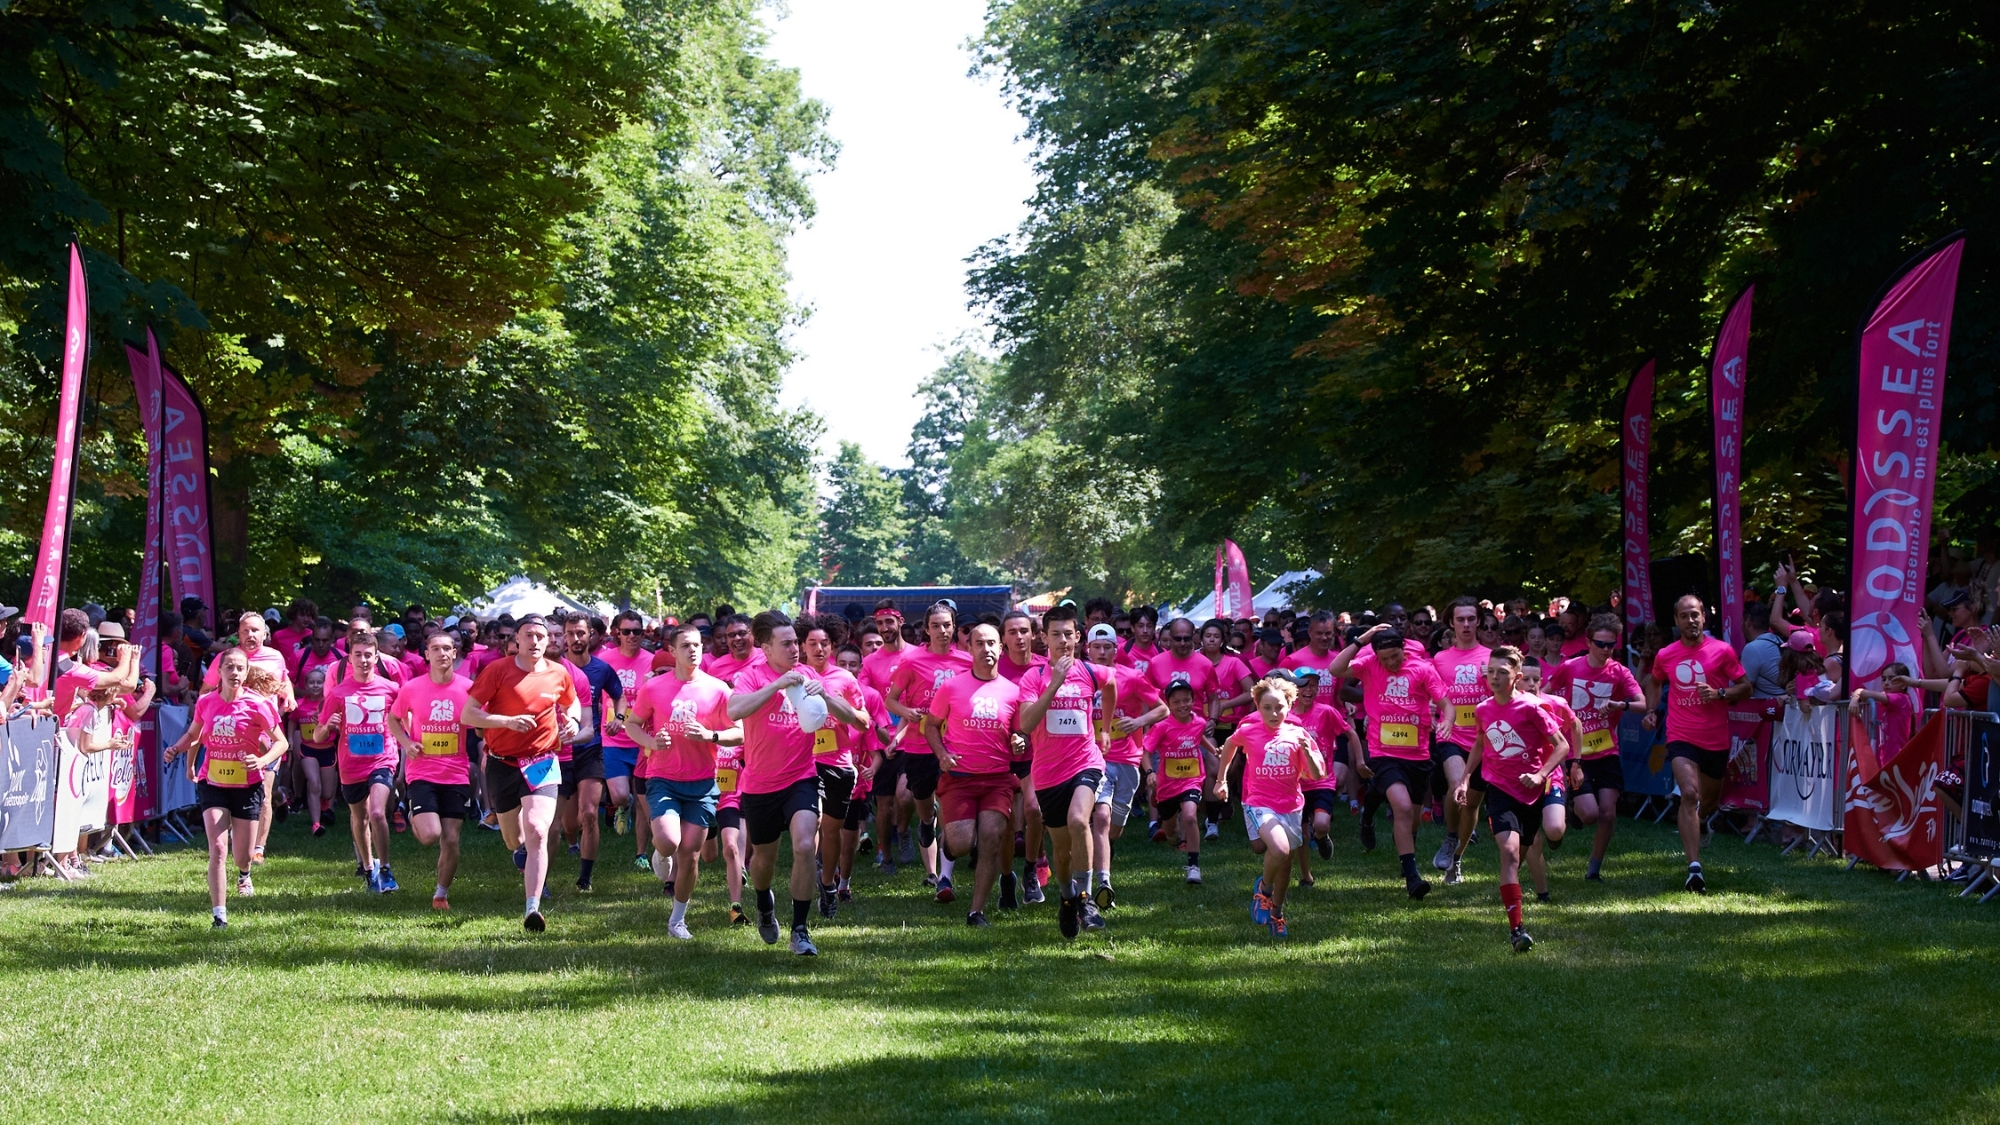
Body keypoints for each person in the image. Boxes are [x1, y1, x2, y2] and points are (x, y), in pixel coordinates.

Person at [728, 611, 867, 955]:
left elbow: (851, 718)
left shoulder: (808, 674)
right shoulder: (751, 676)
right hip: (760, 783)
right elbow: (734, 711)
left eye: (795, 642)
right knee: (764, 861)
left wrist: (828, 697)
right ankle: (764, 902)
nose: (795, 649)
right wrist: (775, 686)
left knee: (805, 845)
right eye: (787, 643)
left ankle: (800, 931)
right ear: (766, 648)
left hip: (802, 777)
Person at [464, 614, 580, 932]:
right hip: (502, 762)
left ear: (548, 640)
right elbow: (468, 714)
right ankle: (520, 851)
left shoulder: (558, 673)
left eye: (540, 636)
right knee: (513, 839)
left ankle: (533, 907)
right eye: (528, 635)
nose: (535, 641)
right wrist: (506, 722)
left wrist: (573, 721)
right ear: (517, 639)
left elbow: (572, 704)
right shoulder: (497, 670)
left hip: (542, 760)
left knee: (539, 830)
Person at [624, 623, 740, 941]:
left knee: (690, 854)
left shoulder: (718, 689)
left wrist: (711, 735)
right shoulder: (654, 687)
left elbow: (740, 732)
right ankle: (660, 852)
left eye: (697, 645)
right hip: (663, 777)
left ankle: (677, 920)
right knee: (668, 842)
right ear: (672, 651)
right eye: (686, 645)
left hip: (702, 783)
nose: (693, 650)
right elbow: (632, 724)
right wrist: (651, 741)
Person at [1453, 646, 1569, 952]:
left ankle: (1518, 904)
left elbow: (1562, 746)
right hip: (1500, 788)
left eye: (1502, 672)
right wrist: (1465, 778)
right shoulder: (1483, 709)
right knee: (1509, 853)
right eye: (1490, 672)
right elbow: (1480, 742)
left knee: (1523, 851)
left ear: (1517, 677)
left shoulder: (1533, 708)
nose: (1494, 677)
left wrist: (1541, 775)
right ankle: (1517, 930)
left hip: (1531, 793)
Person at [1326, 624, 1451, 898]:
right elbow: (1335, 669)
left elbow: (1446, 704)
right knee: (1402, 807)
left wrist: (1448, 721)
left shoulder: (1422, 669)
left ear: (1403, 648)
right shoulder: (1369, 664)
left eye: (1395, 656)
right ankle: (1412, 878)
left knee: (1411, 819)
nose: (1391, 663)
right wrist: (1362, 640)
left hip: (1417, 755)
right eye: (1385, 658)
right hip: (1383, 752)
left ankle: (1375, 821)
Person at [1017, 603, 1116, 938]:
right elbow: (1026, 723)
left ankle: (1085, 899)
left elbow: (1111, 684)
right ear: (1044, 638)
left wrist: (1105, 729)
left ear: (1078, 637)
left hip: (1085, 763)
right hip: (1048, 774)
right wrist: (1055, 683)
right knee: (1061, 850)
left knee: (1078, 820)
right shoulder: (1033, 677)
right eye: (1055, 634)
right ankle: (1067, 897)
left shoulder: (1090, 671)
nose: (1063, 640)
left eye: (1068, 634)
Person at [166, 648, 283, 927]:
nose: (234, 673)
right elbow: (195, 734)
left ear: (246, 672)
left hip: (247, 785)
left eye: (240, 668)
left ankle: (244, 873)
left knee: (243, 856)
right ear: (219, 672)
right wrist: (179, 751)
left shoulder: (258, 704)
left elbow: (282, 742)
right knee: (218, 848)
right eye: (229, 667)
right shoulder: (207, 702)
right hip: (214, 782)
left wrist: (262, 760)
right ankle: (219, 916)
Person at [1643, 595, 1750, 893]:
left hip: (1715, 739)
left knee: (1709, 802)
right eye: (1684, 616)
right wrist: (1651, 710)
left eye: (1695, 614)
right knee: (1689, 794)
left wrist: (1720, 694)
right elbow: (1654, 681)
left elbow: (1746, 687)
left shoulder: (1722, 651)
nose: (1690, 620)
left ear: (1704, 617)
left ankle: (1702, 821)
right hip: (1680, 734)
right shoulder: (1666, 654)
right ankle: (1694, 868)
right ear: (1676, 621)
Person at [927, 621, 1026, 926]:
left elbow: (1019, 732)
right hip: (959, 778)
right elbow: (931, 726)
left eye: (992, 643)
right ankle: (948, 840)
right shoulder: (951, 687)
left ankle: (976, 911)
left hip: (997, 779)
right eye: (979, 643)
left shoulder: (1013, 692)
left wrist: (1018, 740)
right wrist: (942, 754)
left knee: (991, 839)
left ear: (1001, 648)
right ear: (969, 648)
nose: (986, 649)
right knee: (960, 844)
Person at [1214, 675, 1328, 939]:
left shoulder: (1298, 735)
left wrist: (1308, 753)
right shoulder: (1249, 731)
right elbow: (1230, 744)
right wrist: (1221, 780)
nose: (1274, 713)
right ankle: (1263, 891)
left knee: (1285, 865)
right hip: (1259, 802)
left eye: (1279, 707)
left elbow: (1316, 775)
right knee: (1279, 848)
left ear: (1290, 706)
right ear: (1257, 707)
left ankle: (1277, 913)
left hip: (1291, 806)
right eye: (1267, 708)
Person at [1544, 614, 1648, 881]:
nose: (1606, 649)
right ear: (1589, 642)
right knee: (1590, 813)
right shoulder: (1570, 667)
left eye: (1611, 645)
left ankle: (1594, 869)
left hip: (1607, 750)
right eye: (1600, 644)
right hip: (1576, 752)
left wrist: (1620, 705)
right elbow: (1545, 692)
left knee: (1608, 813)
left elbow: (1642, 703)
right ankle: (1571, 807)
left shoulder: (1619, 672)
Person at [884, 603, 973, 895]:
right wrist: (907, 712)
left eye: (947, 625)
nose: (942, 631)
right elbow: (890, 700)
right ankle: (925, 821)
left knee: (949, 808)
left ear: (954, 627)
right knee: (925, 807)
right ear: (927, 629)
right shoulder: (912, 661)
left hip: (954, 745)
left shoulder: (966, 661)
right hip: (919, 746)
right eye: (936, 626)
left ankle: (941, 876)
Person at [387, 630, 475, 911]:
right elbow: (393, 718)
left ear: (455, 653)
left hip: (456, 772)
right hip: (422, 771)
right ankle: (412, 812)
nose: (441, 653)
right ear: (426, 654)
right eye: (435, 648)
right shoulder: (412, 688)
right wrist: (406, 743)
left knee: (451, 839)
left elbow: (482, 722)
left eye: (447, 648)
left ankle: (440, 895)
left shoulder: (468, 688)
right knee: (430, 835)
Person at [1084, 623, 1166, 910]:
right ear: (1088, 649)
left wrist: (1139, 721)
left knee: (1114, 829)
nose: (1102, 652)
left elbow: (1162, 709)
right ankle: (1103, 884)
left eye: (1107, 647)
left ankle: (1103, 849)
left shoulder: (1131, 677)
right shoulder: (1081, 677)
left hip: (1128, 760)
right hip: (1094, 758)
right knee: (1101, 818)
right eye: (1097, 647)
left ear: (1115, 650)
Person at [320, 631, 402, 893]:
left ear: (376, 657)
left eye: (368, 655)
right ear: (350, 658)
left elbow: (405, 721)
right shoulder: (338, 693)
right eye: (358, 655)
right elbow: (318, 735)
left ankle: (386, 869)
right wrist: (327, 727)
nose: (363, 660)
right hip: (351, 764)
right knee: (360, 817)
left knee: (377, 812)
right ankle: (369, 867)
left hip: (382, 758)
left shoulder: (391, 689)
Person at [802, 617, 869, 917]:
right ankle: (807, 876)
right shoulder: (793, 676)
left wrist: (829, 698)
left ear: (833, 646)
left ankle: (828, 882)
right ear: (802, 646)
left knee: (832, 832)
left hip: (838, 763)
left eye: (825, 643)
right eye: (812, 643)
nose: (819, 649)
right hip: (804, 762)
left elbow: (863, 722)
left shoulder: (844, 679)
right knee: (811, 820)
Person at [1428, 597, 1492, 873]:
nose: (1466, 624)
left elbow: (1506, 696)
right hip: (1451, 733)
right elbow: (1429, 692)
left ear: (1479, 622)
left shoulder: (1492, 657)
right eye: (1460, 619)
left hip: (1484, 737)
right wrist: (1430, 708)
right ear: (1451, 624)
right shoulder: (1440, 659)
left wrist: (1490, 680)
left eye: (1471, 619)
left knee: (1473, 802)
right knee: (1457, 787)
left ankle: (1458, 858)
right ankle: (1450, 837)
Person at [558, 613, 621, 892]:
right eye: (571, 633)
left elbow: (619, 695)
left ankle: (585, 878)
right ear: (564, 636)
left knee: (589, 814)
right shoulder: (554, 669)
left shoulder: (601, 669)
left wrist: (619, 717)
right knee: (570, 822)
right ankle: (571, 841)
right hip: (561, 750)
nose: (576, 638)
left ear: (590, 635)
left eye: (581, 633)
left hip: (591, 748)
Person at [995, 609, 1047, 904]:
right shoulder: (994, 667)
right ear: (1003, 638)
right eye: (1012, 632)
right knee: (1004, 822)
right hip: (999, 753)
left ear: (1034, 634)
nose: (1019, 637)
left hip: (1037, 752)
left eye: (1024, 631)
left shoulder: (1045, 668)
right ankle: (1006, 877)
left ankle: (1030, 870)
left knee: (1034, 810)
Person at [598, 611, 656, 871]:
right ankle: (622, 806)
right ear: (617, 634)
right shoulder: (605, 660)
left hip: (642, 739)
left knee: (644, 801)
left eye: (637, 631)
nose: (632, 636)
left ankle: (641, 853)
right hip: (613, 738)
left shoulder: (652, 661)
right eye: (626, 631)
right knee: (621, 795)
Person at [1144, 681, 1217, 884]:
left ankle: (1193, 866)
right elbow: (1146, 753)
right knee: (1171, 833)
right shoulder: (1162, 727)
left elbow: (1198, 738)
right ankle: (1171, 834)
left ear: (1193, 700)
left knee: (1190, 816)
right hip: (1167, 785)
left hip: (1192, 780)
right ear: (1168, 704)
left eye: (1186, 700)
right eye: (1176, 702)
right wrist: (1150, 772)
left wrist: (1214, 751)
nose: (1183, 705)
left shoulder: (1199, 722)